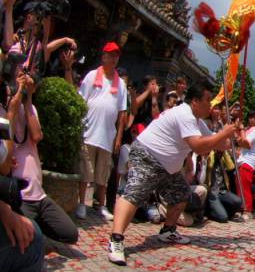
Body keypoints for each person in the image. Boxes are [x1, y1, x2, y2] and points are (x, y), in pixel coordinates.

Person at [107, 82, 238, 266]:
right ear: (195, 101)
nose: (210, 105)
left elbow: (218, 144)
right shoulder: (184, 114)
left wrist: (231, 136)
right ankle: (116, 239)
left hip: (169, 167)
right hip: (148, 156)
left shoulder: (197, 121)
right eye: (208, 100)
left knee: (182, 194)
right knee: (133, 194)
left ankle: (168, 231)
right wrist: (223, 133)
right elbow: (199, 146)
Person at [5, 72, 78, 244]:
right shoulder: (5, 110)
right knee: (27, 235)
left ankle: (38, 235)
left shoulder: (30, 108)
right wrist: (13, 107)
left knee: (70, 234)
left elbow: (36, 136)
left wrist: (27, 98)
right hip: (21, 197)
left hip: (40, 195)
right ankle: (37, 237)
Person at [76, 41, 128, 221]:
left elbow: (122, 112)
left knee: (103, 174)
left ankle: (101, 205)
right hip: (89, 131)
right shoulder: (92, 76)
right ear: (103, 56)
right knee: (85, 170)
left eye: (116, 55)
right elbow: (81, 100)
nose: (113, 58)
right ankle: (82, 203)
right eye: (110, 55)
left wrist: (119, 136)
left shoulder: (120, 83)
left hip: (107, 135)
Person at [235, 110, 255, 220]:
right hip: (241, 159)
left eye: (253, 117)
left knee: (244, 186)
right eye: (250, 117)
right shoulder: (247, 129)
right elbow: (239, 141)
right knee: (239, 185)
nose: (251, 119)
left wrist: (241, 129)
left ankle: (247, 209)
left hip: (248, 160)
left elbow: (246, 143)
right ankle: (239, 208)